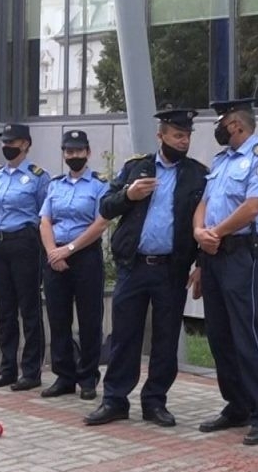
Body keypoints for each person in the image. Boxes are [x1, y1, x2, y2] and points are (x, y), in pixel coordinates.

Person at [85, 108, 207, 428]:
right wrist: (129, 193)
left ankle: (155, 402)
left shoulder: (197, 174)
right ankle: (114, 400)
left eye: (187, 136)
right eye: (177, 135)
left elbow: (208, 220)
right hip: (134, 266)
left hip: (172, 269)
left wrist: (201, 264)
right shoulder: (136, 168)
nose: (183, 141)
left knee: (165, 339)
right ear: (161, 136)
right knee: (125, 335)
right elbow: (105, 206)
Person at [193, 98, 258, 445]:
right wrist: (201, 234)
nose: (218, 128)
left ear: (236, 125)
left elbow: (253, 207)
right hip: (213, 254)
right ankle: (237, 405)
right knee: (218, 334)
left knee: (245, 333)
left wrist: (216, 233)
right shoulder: (221, 160)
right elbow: (204, 203)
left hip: (242, 252)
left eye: (222, 122)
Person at [38, 129, 108, 401]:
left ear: (88, 152)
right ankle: (64, 376)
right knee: (58, 319)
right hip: (56, 258)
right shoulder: (55, 185)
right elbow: (45, 220)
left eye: (79, 151)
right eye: (69, 151)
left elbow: (100, 223)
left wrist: (68, 249)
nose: (74, 156)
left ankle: (88, 378)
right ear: (64, 153)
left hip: (85, 257)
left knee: (90, 320)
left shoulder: (99, 185)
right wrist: (53, 253)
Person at [0, 123, 51, 391]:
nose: (7, 147)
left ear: (25, 144)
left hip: (24, 242)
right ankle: (7, 368)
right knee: (5, 311)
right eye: (4, 142)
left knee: (29, 308)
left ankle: (31, 370)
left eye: (12, 142)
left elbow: (45, 214)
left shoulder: (38, 176)